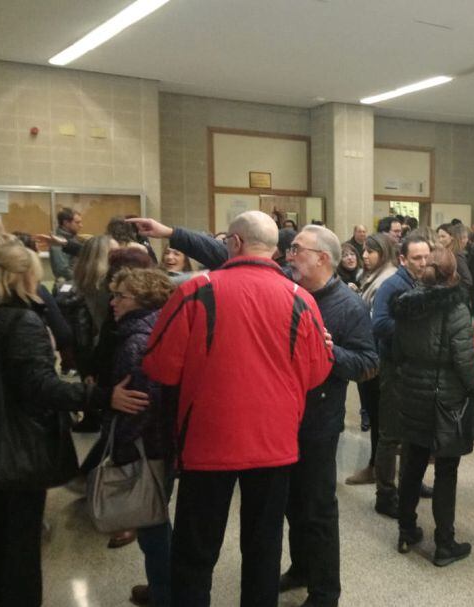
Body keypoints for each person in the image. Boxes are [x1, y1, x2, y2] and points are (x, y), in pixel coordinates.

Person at [142, 211, 333, 606]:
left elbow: (160, 366)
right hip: (275, 445)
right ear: (275, 250)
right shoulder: (303, 301)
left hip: (207, 443)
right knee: (263, 549)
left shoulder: (196, 291)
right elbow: (317, 372)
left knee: (195, 551)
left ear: (234, 243)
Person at [0, 242, 147, 606]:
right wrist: (99, 398)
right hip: (18, 440)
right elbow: (40, 387)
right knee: (21, 537)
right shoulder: (22, 321)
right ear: (23, 276)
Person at [279, 225, 378, 606]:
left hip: (319, 422)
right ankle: (301, 568)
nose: (290, 255)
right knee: (291, 502)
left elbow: (370, 364)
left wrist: (329, 352)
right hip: (284, 417)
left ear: (322, 258)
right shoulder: (290, 293)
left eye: (297, 249)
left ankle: (325, 592)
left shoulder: (347, 305)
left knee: (318, 507)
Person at [391, 245, 474, 565]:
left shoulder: (405, 305)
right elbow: (464, 360)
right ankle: (444, 544)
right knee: (447, 470)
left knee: (413, 464)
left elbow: (397, 350)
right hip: (446, 400)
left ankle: (406, 531)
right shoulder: (456, 309)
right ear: (454, 274)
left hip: (412, 393)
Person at [103, 267, 176, 607]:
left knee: (151, 523)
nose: (113, 302)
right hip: (161, 440)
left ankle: (165, 592)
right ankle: (162, 585)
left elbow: (140, 404)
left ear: (143, 300)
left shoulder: (136, 340)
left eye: (121, 296)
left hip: (148, 444)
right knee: (154, 521)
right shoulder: (159, 326)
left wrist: (124, 448)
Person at [371, 233, 431, 517]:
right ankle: (385, 494)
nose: (423, 263)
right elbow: (380, 324)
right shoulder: (392, 285)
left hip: (415, 368)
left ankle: (410, 482)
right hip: (395, 368)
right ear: (403, 259)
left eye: (426, 257)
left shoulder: (423, 283)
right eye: (417, 258)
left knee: (412, 432)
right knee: (391, 434)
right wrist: (415, 329)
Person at [345, 233, 399, 485]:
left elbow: (379, 322)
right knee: (376, 415)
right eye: (364, 251)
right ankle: (378, 465)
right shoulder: (371, 277)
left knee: (379, 418)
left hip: (377, 358)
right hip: (369, 353)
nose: (364, 256)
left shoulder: (385, 281)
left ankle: (378, 468)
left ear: (384, 253)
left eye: (371, 252)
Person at [50, 207, 83, 282]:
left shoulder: (73, 238)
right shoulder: (57, 242)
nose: (81, 225)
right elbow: (62, 270)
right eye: (77, 222)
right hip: (68, 286)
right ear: (66, 223)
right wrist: (83, 279)